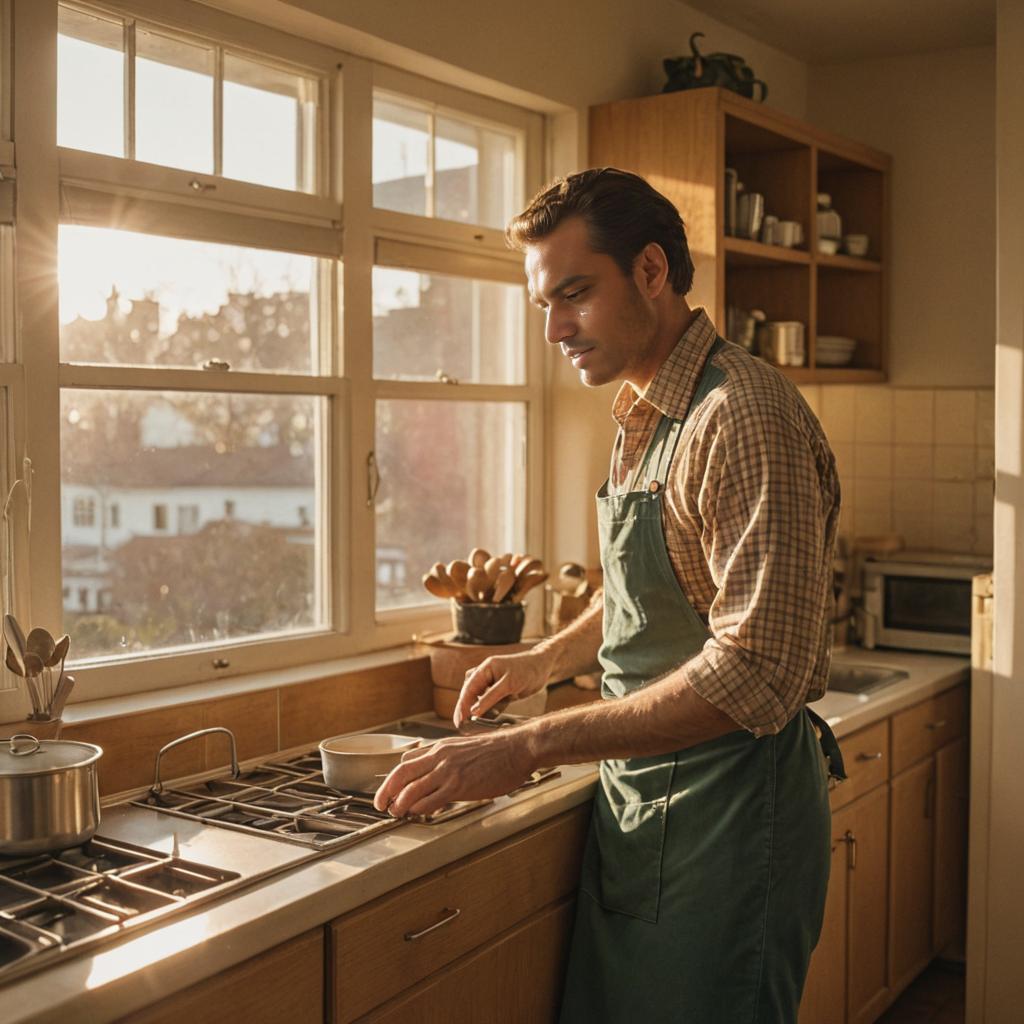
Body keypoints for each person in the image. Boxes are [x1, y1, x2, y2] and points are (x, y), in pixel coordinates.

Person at [374, 167, 845, 1023]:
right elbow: (655, 590)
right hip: (649, 808)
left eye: (576, 294)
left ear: (653, 272)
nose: (555, 328)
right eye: (544, 304)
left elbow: (756, 673)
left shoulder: (740, 417)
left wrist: (523, 748)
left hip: (731, 821)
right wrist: (546, 659)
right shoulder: (645, 409)